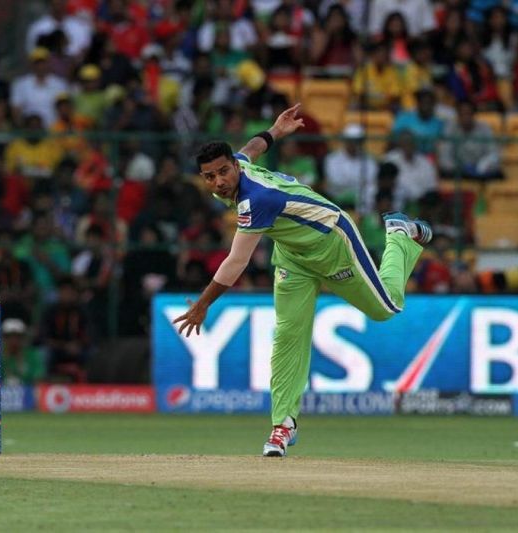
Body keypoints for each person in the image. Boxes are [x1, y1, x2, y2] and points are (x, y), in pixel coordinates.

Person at [173, 104, 432, 457]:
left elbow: (236, 261)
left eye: (223, 172)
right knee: (288, 336)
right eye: (209, 177)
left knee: (386, 308)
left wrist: (202, 306)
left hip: (332, 242)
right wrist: (276, 130)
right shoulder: (238, 166)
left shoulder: (255, 199)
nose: (218, 182)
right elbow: (252, 148)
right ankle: (283, 425)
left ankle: (399, 235)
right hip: (293, 256)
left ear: (233, 167)